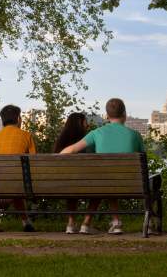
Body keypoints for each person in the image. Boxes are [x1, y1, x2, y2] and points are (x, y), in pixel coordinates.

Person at [60, 98, 144, 235]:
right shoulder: (135, 135)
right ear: (125, 114)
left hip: (104, 183)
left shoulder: (96, 133)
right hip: (132, 184)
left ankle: (113, 223)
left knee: (106, 180)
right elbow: (143, 160)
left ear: (106, 116)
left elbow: (71, 150)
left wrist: (56, 158)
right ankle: (149, 223)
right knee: (113, 179)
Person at [0, 104, 36, 232]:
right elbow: (34, 161)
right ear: (18, 119)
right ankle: (25, 221)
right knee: (17, 182)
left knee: (12, 182)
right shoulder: (26, 135)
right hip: (19, 183)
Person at [53, 112, 88, 234]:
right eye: (85, 121)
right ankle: (86, 224)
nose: (87, 124)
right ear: (81, 123)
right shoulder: (85, 142)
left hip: (61, 184)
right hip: (86, 184)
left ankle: (70, 223)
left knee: (71, 184)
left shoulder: (60, 141)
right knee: (96, 188)